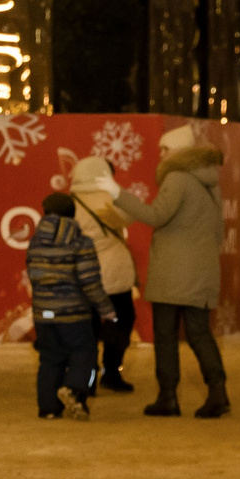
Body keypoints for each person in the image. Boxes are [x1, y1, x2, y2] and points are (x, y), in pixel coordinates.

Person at [114, 125, 229, 420]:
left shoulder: (177, 178)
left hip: (172, 271)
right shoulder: (210, 182)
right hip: (201, 270)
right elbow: (216, 230)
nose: (161, 155)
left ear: (181, 152)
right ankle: (218, 392)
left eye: (166, 149)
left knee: (165, 335)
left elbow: (156, 216)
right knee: (199, 333)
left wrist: (118, 194)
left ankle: (168, 397)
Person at [25, 190, 111, 419]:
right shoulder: (81, 242)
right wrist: (106, 309)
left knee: (50, 357)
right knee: (84, 352)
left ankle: (48, 407)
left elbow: (34, 276)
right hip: (73, 312)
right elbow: (90, 281)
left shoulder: (35, 242)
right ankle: (74, 389)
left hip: (44, 312)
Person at [68, 157, 138, 394]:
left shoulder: (71, 203)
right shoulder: (111, 198)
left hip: (84, 276)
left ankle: (86, 378)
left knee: (85, 330)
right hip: (116, 275)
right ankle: (111, 371)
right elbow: (133, 212)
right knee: (121, 323)